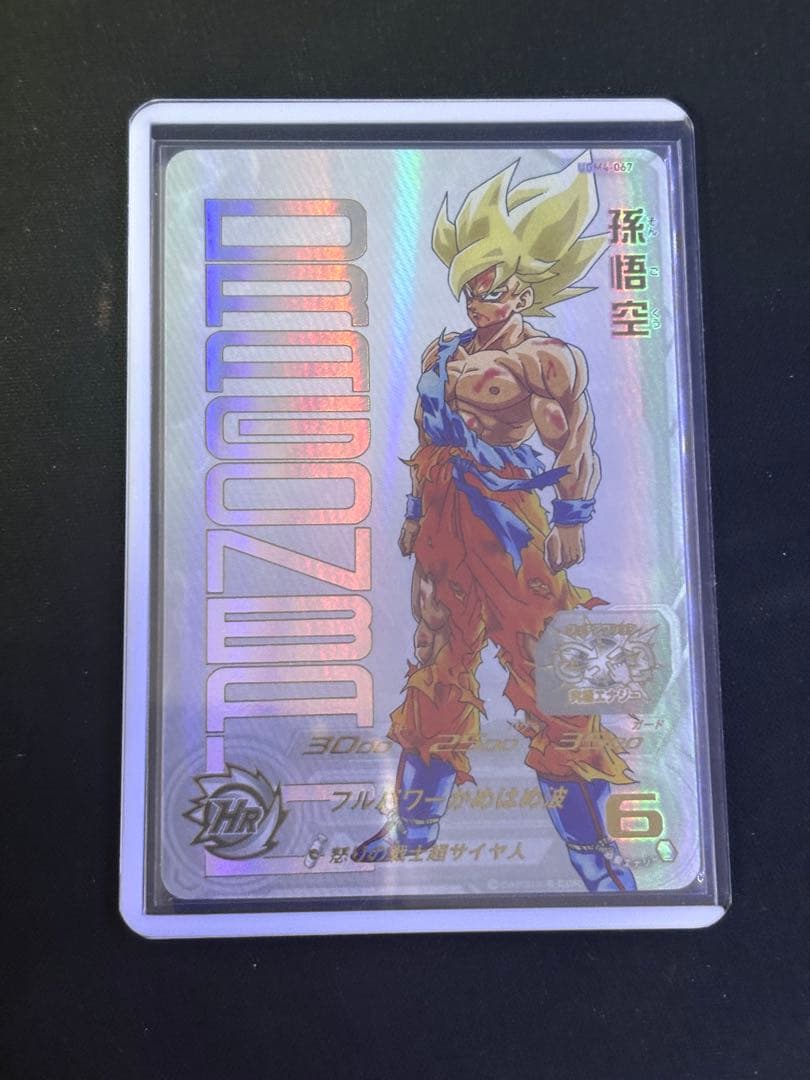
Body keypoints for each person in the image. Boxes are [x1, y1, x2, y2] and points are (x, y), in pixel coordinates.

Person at [352, 153, 636, 892]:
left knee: (547, 667)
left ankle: (593, 854)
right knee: (436, 656)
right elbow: (427, 437)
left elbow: (574, 440)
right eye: (470, 286)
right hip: (445, 515)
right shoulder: (443, 352)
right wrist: (415, 511)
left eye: (493, 286)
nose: (479, 300)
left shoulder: (545, 360)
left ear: (521, 289)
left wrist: (572, 516)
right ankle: (413, 829)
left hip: (511, 519)